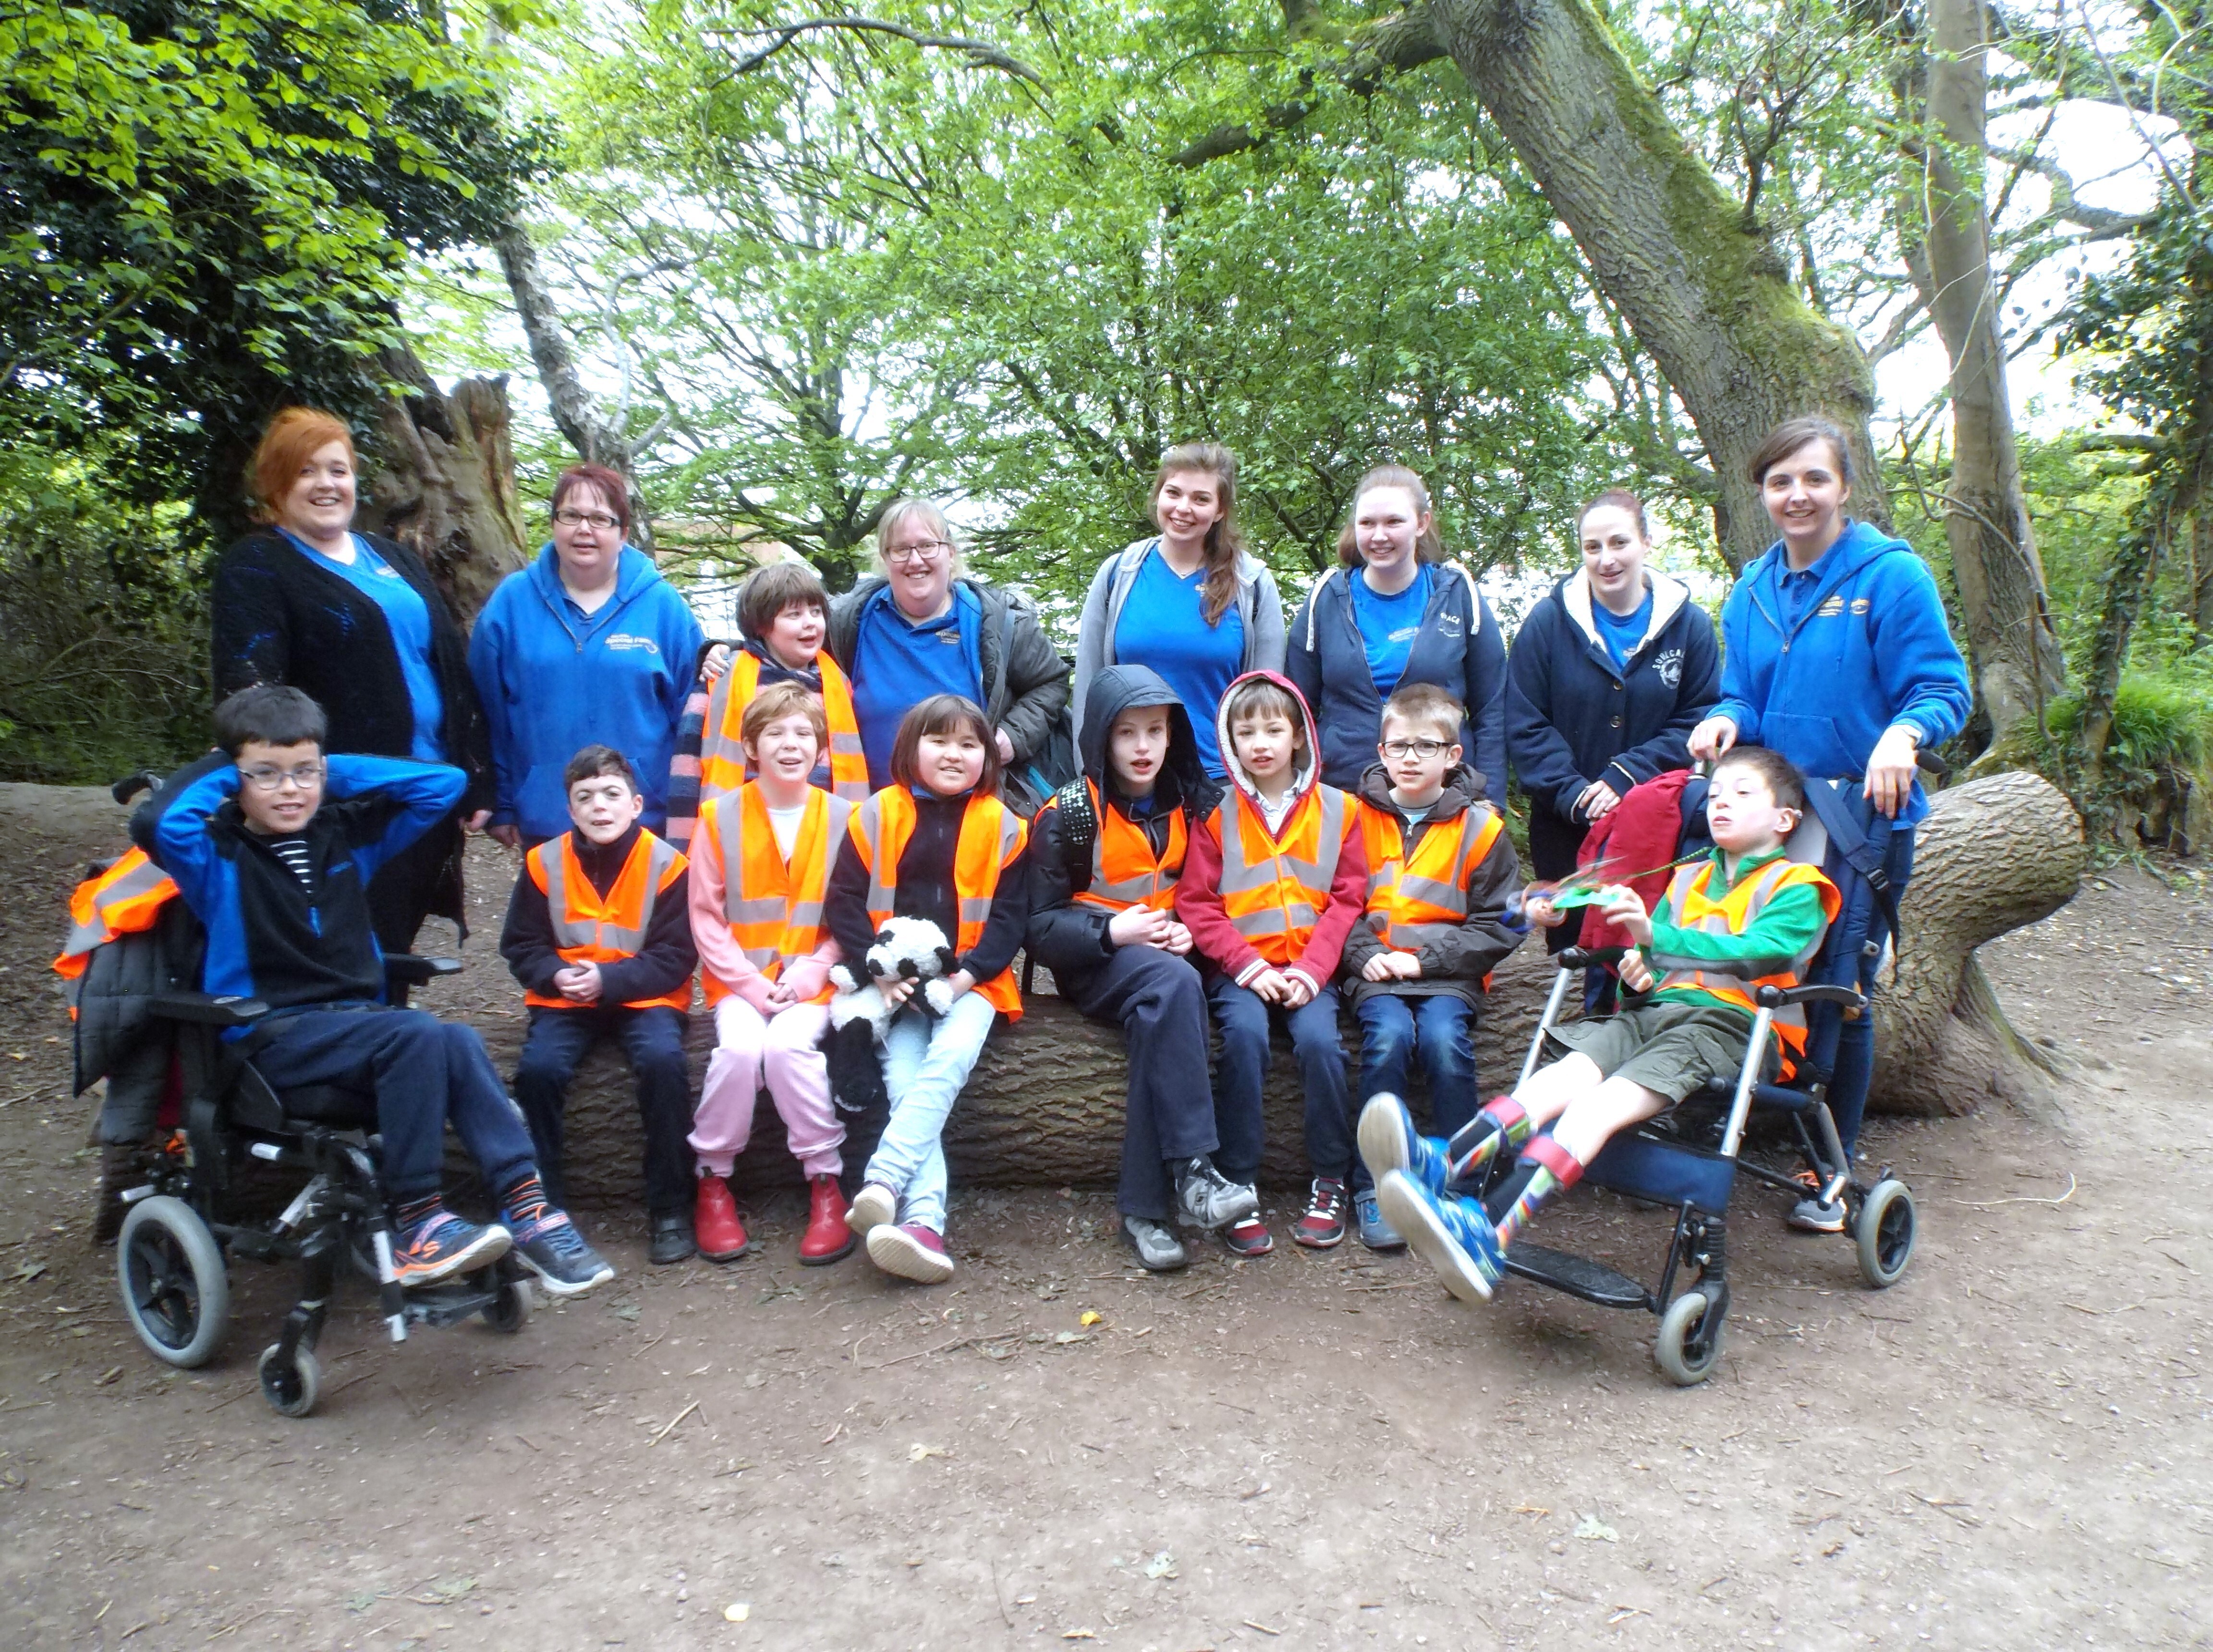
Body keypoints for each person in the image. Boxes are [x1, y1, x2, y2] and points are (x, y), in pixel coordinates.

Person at [133, 684, 613, 1295]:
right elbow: (156, 819)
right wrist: (228, 771)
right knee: (414, 1032)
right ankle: (417, 1223)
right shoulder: (214, 857)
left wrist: (323, 773)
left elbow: (439, 784)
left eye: (303, 771)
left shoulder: (344, 838)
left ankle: (530, 1210)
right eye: (268, 774)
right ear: (235, 777)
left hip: (354, 1028)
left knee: (458, 1040)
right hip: (269, 1038)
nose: (290, 788)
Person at [1368, 746, 1840, 1301]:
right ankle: (1443, 1162)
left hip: (1733, 1028)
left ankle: (1489, 1226)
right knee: (1561, 1077)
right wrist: (1639, 975)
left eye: (1741, 793)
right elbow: (1651, 964)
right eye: (1713, 794)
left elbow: (1764, 954)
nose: (1720, 804)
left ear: (1785, 819)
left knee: (1596, 1106)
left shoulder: (1800, 886)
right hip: (1660, 1014)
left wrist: (1656, 943)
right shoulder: (1688, 875)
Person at [1687, 416, 1971, 1229]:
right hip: (1771, 819)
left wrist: (1902, 734)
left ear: (1843, 486)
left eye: (1812, 478)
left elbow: (1942, 688)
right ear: (1761, 494)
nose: (1796, 495)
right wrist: (1723, 722)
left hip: (1860, 818)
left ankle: (1830, 1173)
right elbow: (1743, 693)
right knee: (1746, 965)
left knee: (1837, 992)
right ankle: (1731, 1117)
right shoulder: (1749, 590)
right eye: (1779, 482)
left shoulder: (1890, 576)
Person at [209, 407, 491, 951]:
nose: (326, 484)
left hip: (428, 791)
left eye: (338, 470)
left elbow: (451, 665)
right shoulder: (258, 566)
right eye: (306, 471)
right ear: (276, 483)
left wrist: (479, 773)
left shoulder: (392, 557)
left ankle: (386, 1029)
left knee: (395, 942)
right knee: (345, 944)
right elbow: (251, 697)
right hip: (343, 800)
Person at [1025, 665, 1261, 1271]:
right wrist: (1112, 930)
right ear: (1101, 737)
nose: (1143, 747)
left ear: (1173, 735)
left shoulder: (1196, 801)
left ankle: (1145, 1210)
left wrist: (1192, 932)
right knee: (1173, 985)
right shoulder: (1068, 812)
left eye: (1155, 731)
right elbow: (1041, 927)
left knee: (1170, 1005)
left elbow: (1217, 894)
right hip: (1097, 963)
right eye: (1126, 733)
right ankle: (1195, 1169)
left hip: (1177, 957)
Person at [826, 694, 1031, 1284]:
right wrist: (879, 971)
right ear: (910, 746)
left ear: (987, 757)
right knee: (903, 1077)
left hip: (974, 983)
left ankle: (885, 1179)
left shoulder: (1004, 824)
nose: (954, 754)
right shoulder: (875, 813)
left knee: (949, 1059)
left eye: (970, 744)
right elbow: (842, 899)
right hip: (891, 984)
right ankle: (922, 1224)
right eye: (939, 740)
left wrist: (964, 978)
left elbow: (1008, 920)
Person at [1178, 671, 1367, 1254]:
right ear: (1229, 743)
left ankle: (1331, 1177)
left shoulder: (1341, 809)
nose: (1260, 742)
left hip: (1312, 971)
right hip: (1242, 971)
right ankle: (1237, 1181)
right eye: (1245, 731)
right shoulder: (1216, 815)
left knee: (1321, 1045)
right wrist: (1246, 966)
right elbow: (1197, 902)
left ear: (1299, 736)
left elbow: (1348, 897)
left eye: (1273, 729)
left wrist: (1312, 971)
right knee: (1244, 1040)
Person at [1339, 683, 1522, 1250]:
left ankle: (1458, 1181)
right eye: (1399, 746)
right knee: (1388, 1039)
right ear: (1381, 750)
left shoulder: (1483, 828)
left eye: (1427, 745)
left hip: (1449, 974)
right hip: (1374, 971)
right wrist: (1366, 955)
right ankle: (1372, 1183)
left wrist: (1424, 962)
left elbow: (1502, 923)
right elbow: (1327, 903)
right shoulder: (1350, 817)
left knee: (1445, 1042)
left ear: (1454, 754)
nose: (1411, 757)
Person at [500, 746, 699, 1266]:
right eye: (584, 797)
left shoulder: (669, 864)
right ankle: (543, 1208)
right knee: (538, 1071)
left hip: (645, 997)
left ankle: (672, 1207)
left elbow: (677, 954)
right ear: (570, 810)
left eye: (611, 794)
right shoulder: (543, 863)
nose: (599, 806)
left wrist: (609, 979)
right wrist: (555, 974)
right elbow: (521, 943)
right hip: (563, 998)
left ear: (636, 804)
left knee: (664, 1064)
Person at [1505, 487, 1720, 948]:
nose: (1607, 559)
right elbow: (1524, 721)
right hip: (1565, 823)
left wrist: (1627, 778)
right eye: (1593, 547)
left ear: (1646, 543)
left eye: (1619, 543)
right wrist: (1575, 794)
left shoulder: (1691, 627)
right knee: (1577, 953)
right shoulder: (1547, 623)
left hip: (1659, 820)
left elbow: (1699, 718)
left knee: (1649, 951)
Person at [687, 682, 856, 1268]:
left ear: (821, 748)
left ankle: (826, 1183)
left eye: (804, 733)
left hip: (815, 983)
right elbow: (707, 919)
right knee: (738, 1051)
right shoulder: (717, 817)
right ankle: (713, 1179)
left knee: (786, 1050)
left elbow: (854, 915)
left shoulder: (846, 818)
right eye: (776, 732)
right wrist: (753, 985)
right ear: (751, 746)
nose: (791, 744)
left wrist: (816, 969)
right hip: (740, 983)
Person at [468, 463, 707, 848]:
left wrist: (687, 809)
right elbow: (486, 713)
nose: (584, 529)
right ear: (554, 523)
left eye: (600, 519)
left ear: (623, 533)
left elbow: (694, 714)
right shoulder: (511, 604)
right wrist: (504, 803)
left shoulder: (664, 605)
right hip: (549, 818)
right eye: (571, 515)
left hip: (646, 818)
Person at [1286, 464, 1507, 802]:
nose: (1379, 536)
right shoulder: (1327, 598)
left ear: (1421, 523)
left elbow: (1492, 707)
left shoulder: (1457, 593)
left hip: (1442, 799)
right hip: (1343, 796)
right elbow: (1296, 708)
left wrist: (1490, 799)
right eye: (1367, 523)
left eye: (1393, 522)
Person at [827, 498, 1071, 802]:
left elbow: (1052, 682)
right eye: (901, 549)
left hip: (975, 814)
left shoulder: (999, 622)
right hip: (872, 815)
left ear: (950, 553)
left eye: (928, 546)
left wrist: (1014, 736)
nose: (915, 561)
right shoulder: (844, 623)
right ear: (884, 559)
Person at [1071, 442, 1288, 777]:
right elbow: (1088, 684)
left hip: (1221, 782)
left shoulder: (1252, 583)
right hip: (1132, 784)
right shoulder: (1120, 574)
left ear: (1220, 511)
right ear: (1158, 496)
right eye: (1173, 493)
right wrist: (1088, 774)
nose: (1183, 508)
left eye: (1201, 499)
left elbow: (1268, 701)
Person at [669, 561, 868, 850]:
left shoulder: (839, 684)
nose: (810, 623)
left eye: (816, 612)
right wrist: (682, 852)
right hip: (739, 842)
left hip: (824, 846)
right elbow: (685, 770)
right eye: (794, 615)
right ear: (762, 626)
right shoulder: (721, 678)